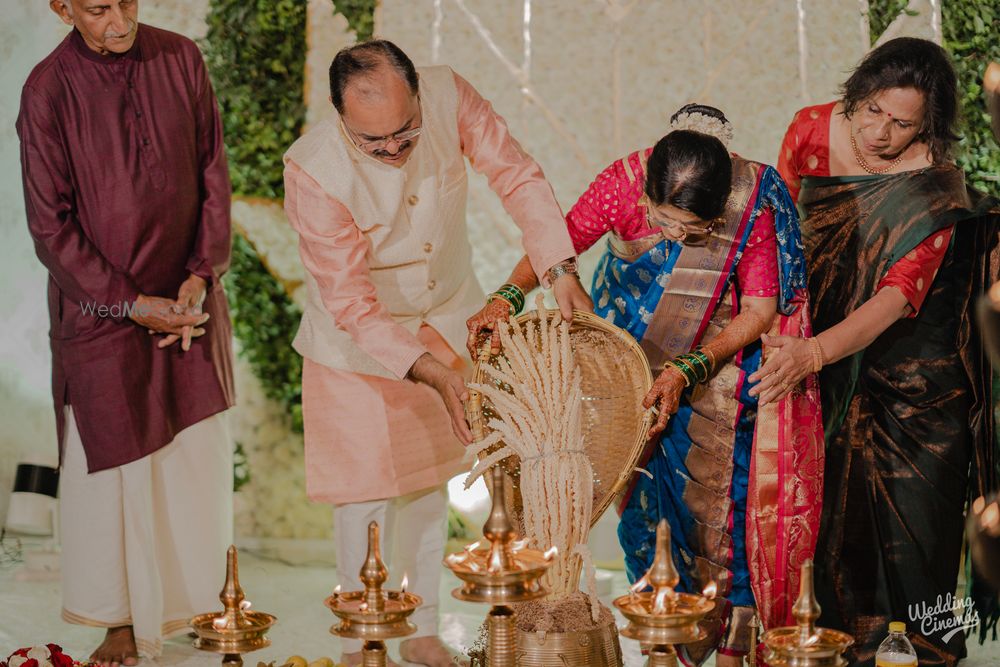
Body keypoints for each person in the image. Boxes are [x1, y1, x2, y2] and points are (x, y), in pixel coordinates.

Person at [468, 104, 823, 666]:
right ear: (646, 194)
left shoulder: (749, 201)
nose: (677, 237)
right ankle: (666, 641)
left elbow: (757, 311)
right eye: (664, 222)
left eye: (694, 230)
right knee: (640, 505)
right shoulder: (621, 184)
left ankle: (732, 643)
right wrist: (508, 294)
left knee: (721, 510)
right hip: (625, 375)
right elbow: (556, 244)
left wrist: (689, 369)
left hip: (715, 379)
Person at [282, 40, 589, 667]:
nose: (395, 151)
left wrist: (559, 270)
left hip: (446, 316)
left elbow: (517, 175)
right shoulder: (312, 171)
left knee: (428, 482)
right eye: (375, 144)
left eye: (406, 133)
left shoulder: (451, 94)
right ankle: (364, 633)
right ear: (341, 118)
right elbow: (351, 301)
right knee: (365, 491)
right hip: (356, 342)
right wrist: (427, 373)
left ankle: (423, 629)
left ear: (419, 93)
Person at [760, 37, 1000, 666]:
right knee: (831, 525)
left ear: (929, 127)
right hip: (823, 364)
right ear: (856, 94)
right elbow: (777, 234)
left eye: (902, 124)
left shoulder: (932, 192)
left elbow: (896, 298)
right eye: (871, 111)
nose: (880, 133)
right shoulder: (811, 131)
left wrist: (812, 354)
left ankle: (927, 654)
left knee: (919, 530)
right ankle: (836, 650)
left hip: (916, 377)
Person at [16, 1, 235, 665]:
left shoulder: (180, 58)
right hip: (101, 311)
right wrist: (131, 304)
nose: (120, 19)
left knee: (192, 458)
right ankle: (117, 620)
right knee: (111, 471)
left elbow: (212, 173)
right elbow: (50, 227)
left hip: (188, 302)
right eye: (99, 8)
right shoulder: (47, 90)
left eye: (128, 0)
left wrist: (201, 275)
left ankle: (199, 599)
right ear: (62, 8)